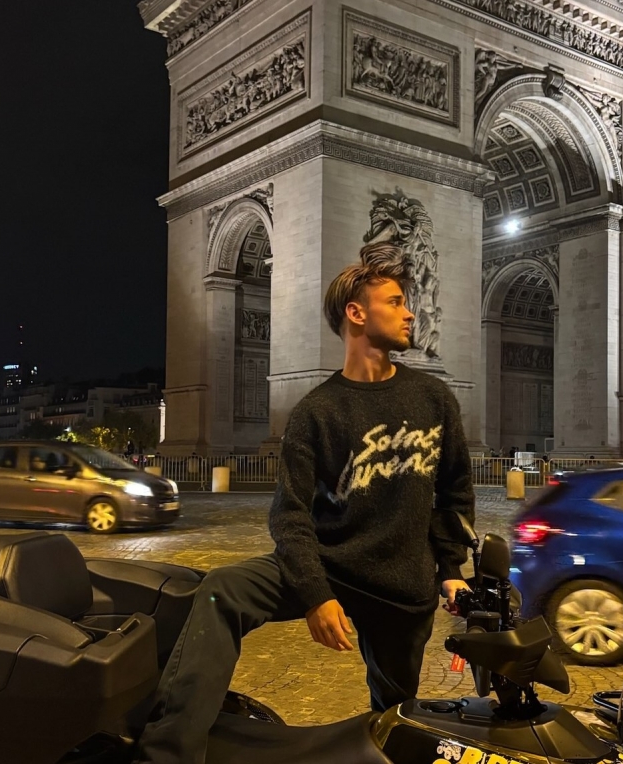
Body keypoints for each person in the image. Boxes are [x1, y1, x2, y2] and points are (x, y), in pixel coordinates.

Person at [135, 243, 475, 763]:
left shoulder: (435, 399)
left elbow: (454, 491)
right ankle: (166, 754)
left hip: (403, 585)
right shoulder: (316, 411)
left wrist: (451, 567)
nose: (412, 312)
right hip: (331, 567)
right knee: (220, 590)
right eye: (396, 301)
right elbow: (289, 516)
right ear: (356, 314)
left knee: (394, 716)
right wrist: (316, 594)